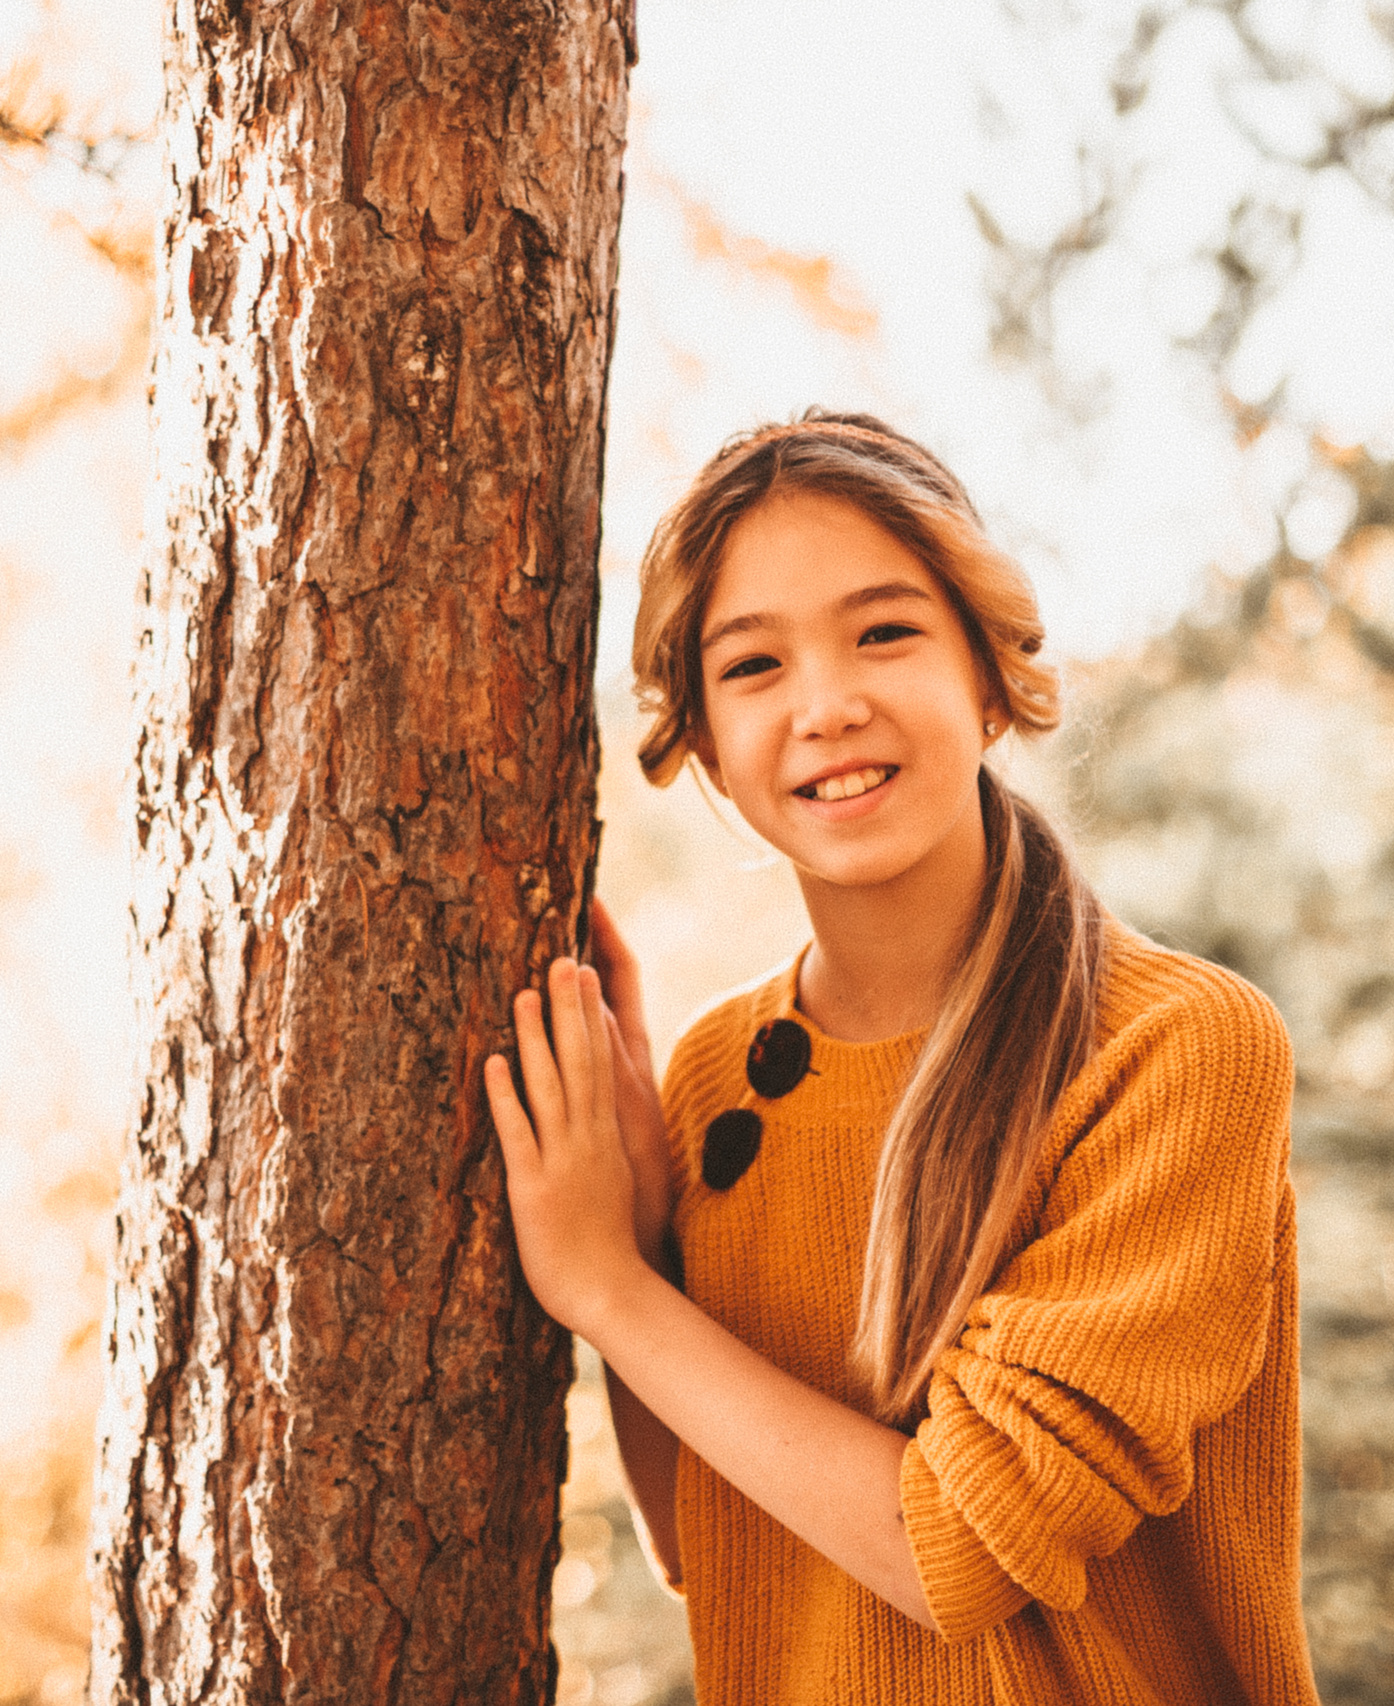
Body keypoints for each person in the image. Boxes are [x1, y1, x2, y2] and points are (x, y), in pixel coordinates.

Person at [481, 410, 1320, 1705]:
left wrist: (609, 1288)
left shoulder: (1171, 1046)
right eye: (753, 665)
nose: (828, 705)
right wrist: (644, 1223)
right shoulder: (722, 1075)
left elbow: (961, 1547)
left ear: (988, 677)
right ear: (702, 739)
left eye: (884, 630)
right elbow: (706, 1543)